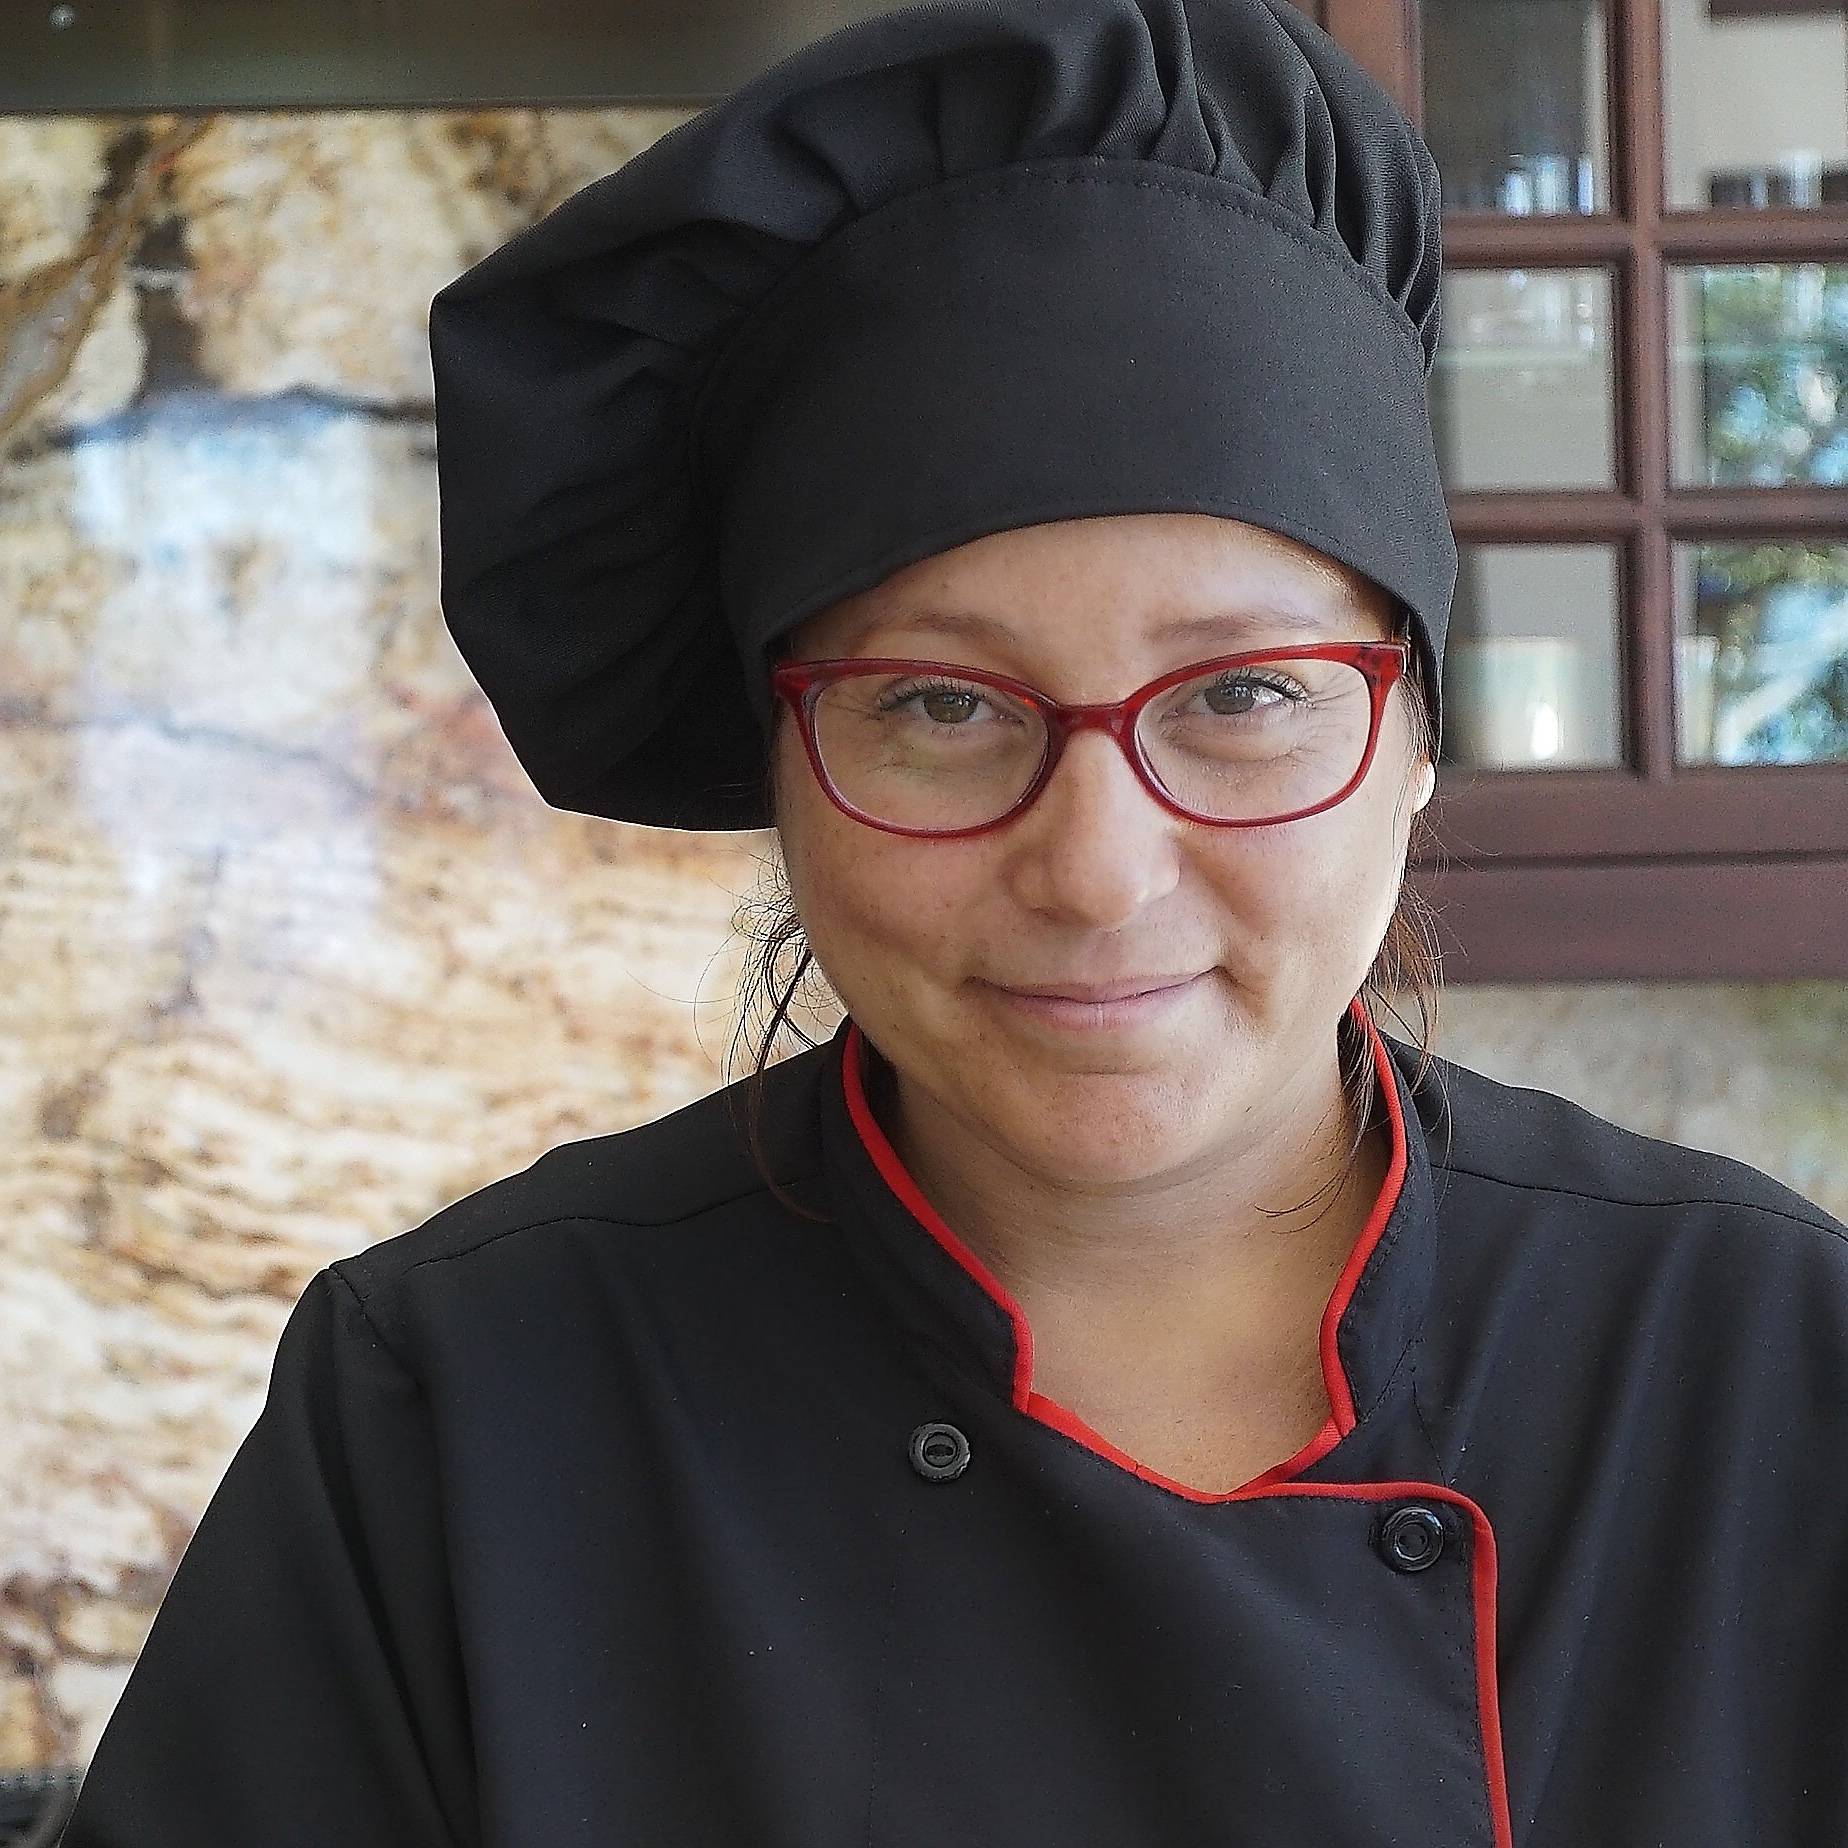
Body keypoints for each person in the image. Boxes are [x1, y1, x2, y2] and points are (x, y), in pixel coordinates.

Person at [58, 1, 1848, 1844]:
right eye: (938, 706)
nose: (1096, 868)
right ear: (783, 753)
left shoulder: (1758, 1365)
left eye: (1241, 697)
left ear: (1410, 733)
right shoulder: (463, 1411)